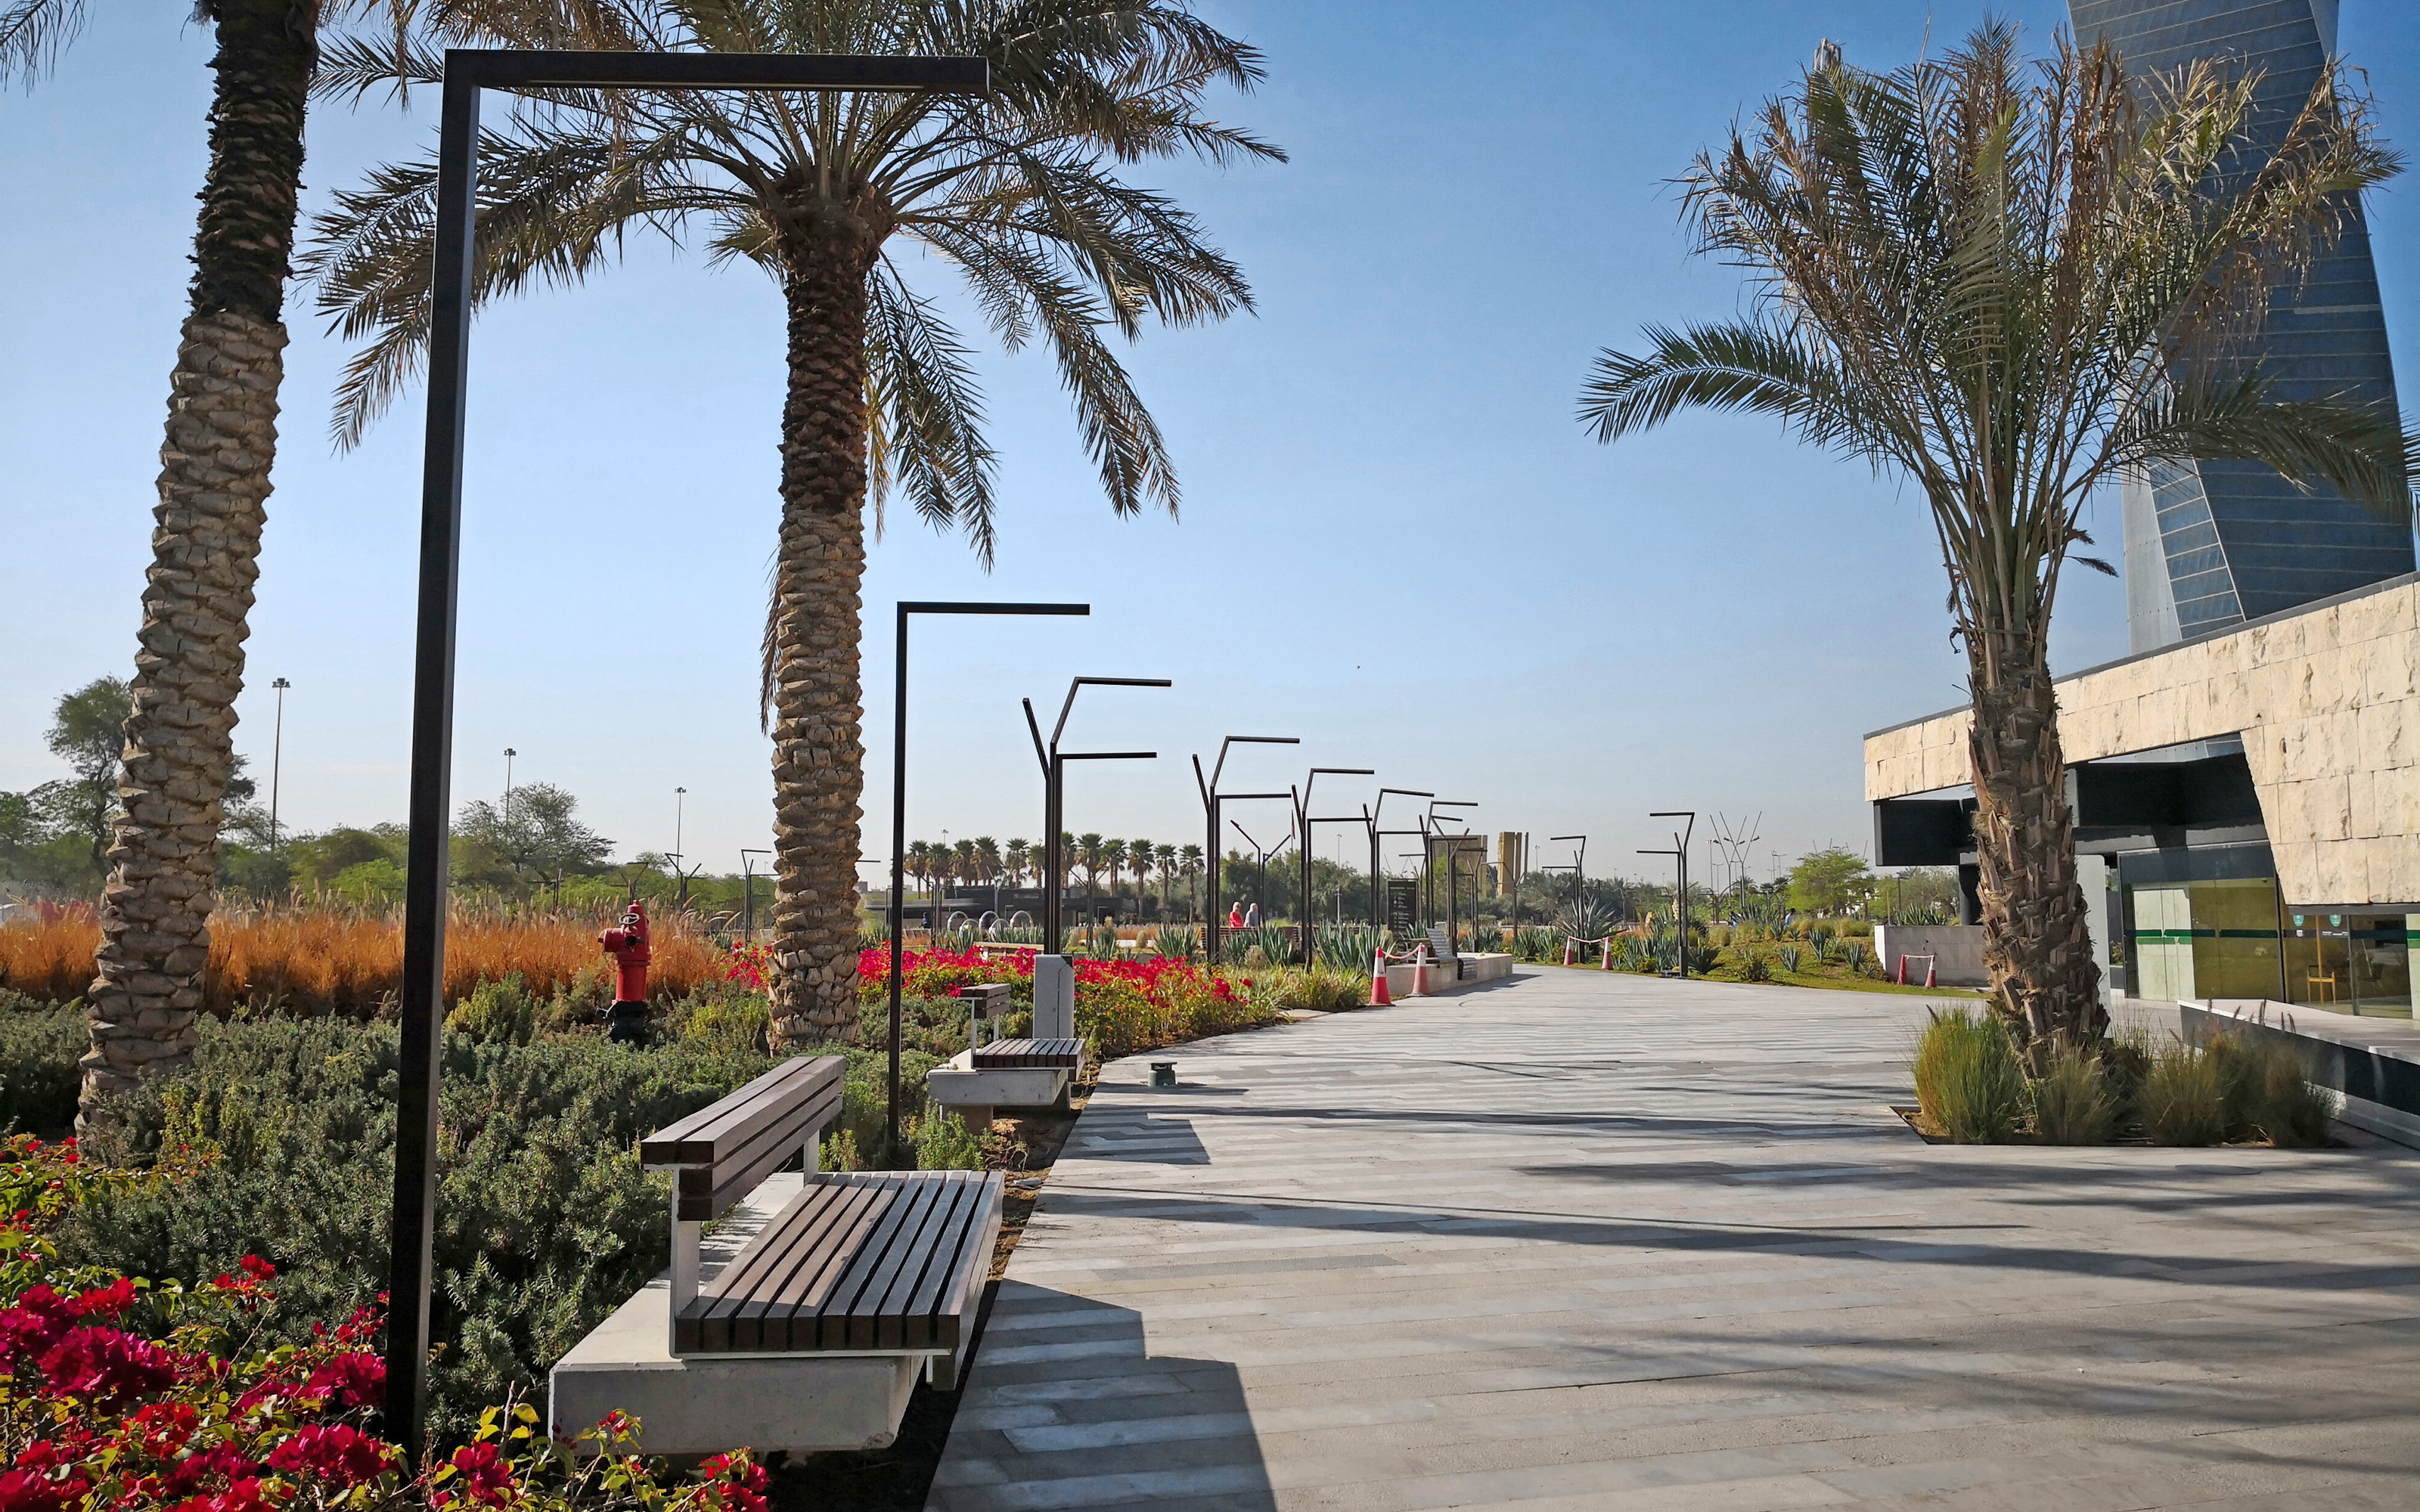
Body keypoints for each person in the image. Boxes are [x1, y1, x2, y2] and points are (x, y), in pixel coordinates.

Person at [598, 900, 653, 1046]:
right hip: (635, 967)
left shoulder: (631, 932)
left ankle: (621, 1032)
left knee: (626, 1000)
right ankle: (637, 1035)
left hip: (630, 966)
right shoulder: (640, 929)